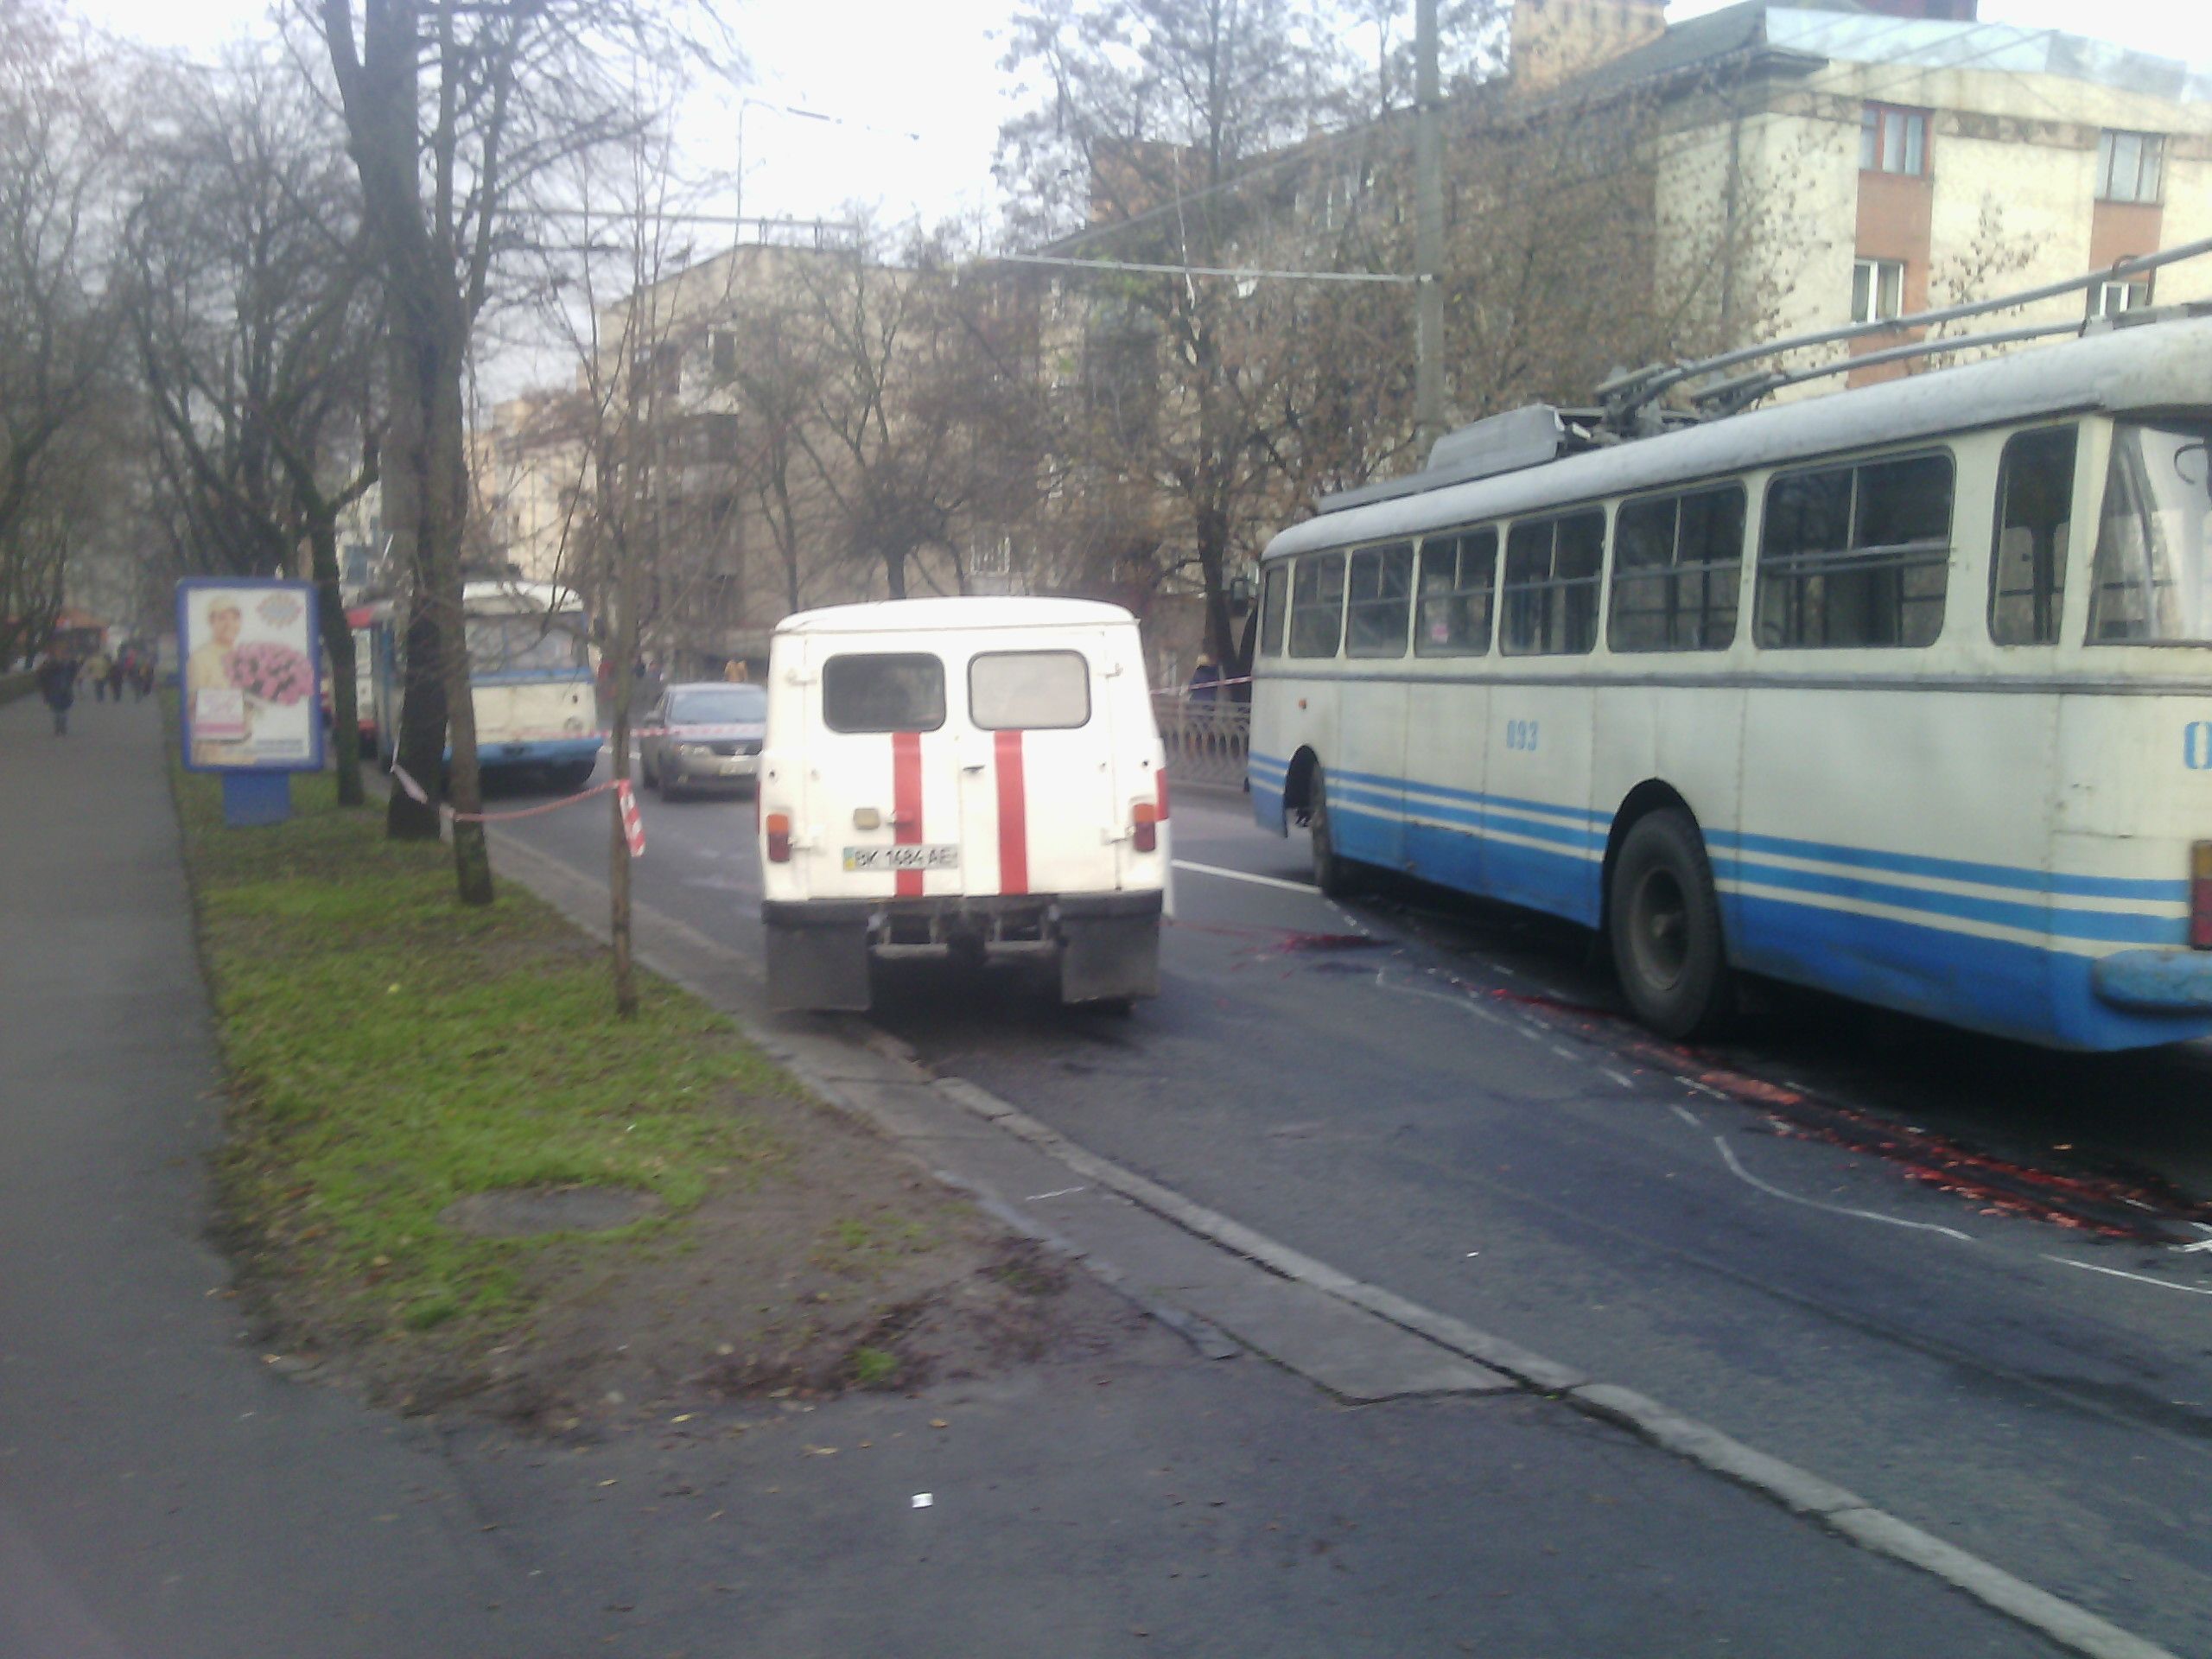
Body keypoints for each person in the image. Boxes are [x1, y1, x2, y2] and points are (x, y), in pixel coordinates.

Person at [185, 599, 245, 765]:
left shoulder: (245, 656)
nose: (229, 624)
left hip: (244, 748)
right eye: (222, 618)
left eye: (234, 618)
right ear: (211, 622)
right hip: (214, 750)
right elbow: (192, 705)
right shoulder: (200, 658)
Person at [35, 652, 76, 736]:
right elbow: (72, 676)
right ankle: (63, 726)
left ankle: (58, 727)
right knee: (63, 711)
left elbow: (41, 679)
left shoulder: (47, 673)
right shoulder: (66, 671)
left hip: (53, 693)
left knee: (56, 711)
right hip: (65, 693)